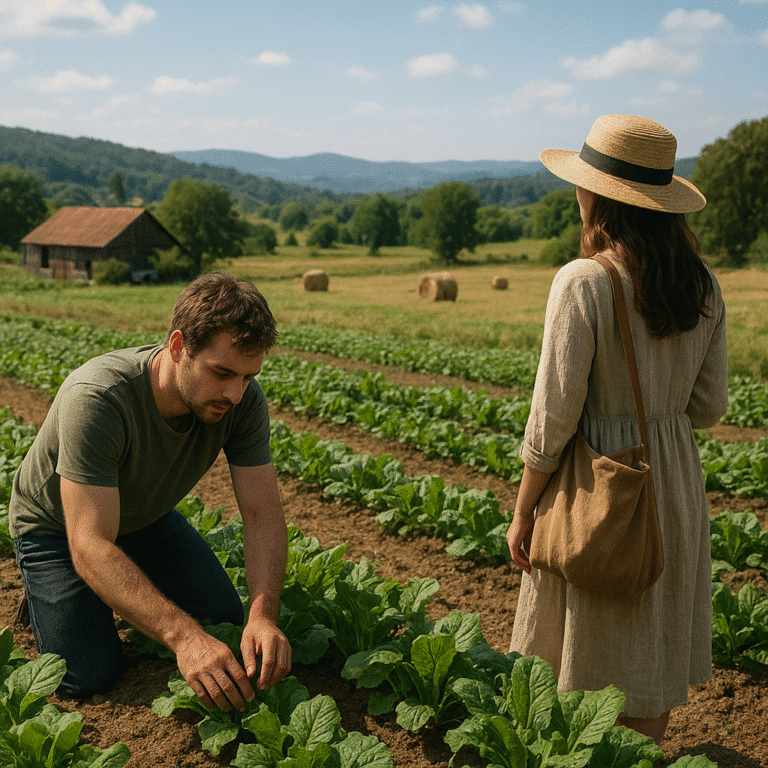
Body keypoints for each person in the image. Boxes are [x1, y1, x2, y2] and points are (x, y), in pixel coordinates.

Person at [506, 114, 728, 746]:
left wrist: (524, 510)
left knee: (582, 660)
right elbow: (708, 406)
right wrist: (658, 417)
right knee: (648, 657)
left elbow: (552, 418)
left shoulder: (585, 280)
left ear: (596, 194)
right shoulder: (704, 283)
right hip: (674, 483)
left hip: (601, 482)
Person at [10, 271, 292, 712]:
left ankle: (117, 593)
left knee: (222, 619)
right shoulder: (99, 398)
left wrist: (263, 617)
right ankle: (49, 595)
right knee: (87, 674)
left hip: (144, 517)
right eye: (222, 373)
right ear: (178, 346)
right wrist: (183, 638)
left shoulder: (243, 402)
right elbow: (88, 543)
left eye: (248, 376)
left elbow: (262, 514)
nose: (235, 393)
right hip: (58, 529)